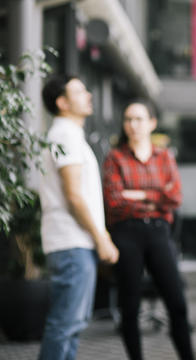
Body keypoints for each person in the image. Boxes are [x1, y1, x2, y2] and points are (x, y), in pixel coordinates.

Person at [102, 100, 194, 360]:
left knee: (177, 302)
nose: (133, 124)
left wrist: (136, 193)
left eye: (139, 119)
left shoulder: (164, 156)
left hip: (158, 231)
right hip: (126, 234)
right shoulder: (115, 157)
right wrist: (156, 195)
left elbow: (174, 197)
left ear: (152, 123)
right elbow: (114, 202)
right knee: (129, 307)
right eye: (128, 119)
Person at [38, 74, 120, 360]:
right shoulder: (65, 135)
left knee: (72, 325)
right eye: (79, 91)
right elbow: (73, 196)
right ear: (62, 102)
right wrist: (102, 239)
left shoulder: (70, 134)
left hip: (75, 242)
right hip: (72, 242)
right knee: (65, 324)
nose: (88, 95)